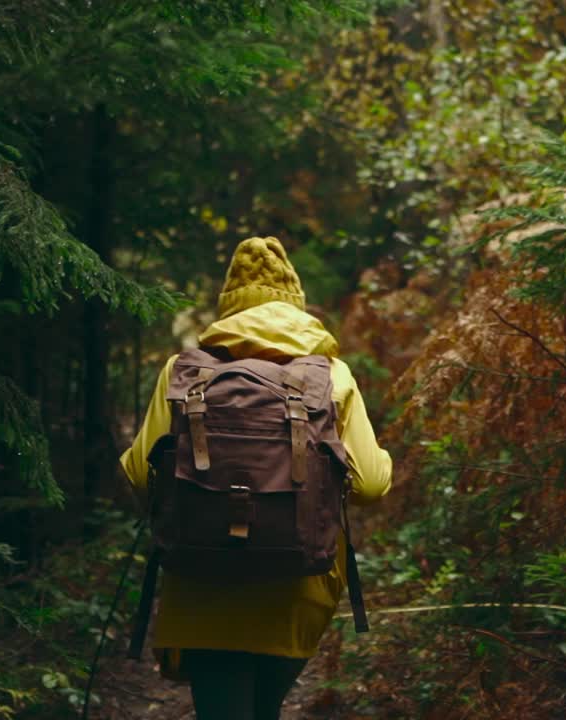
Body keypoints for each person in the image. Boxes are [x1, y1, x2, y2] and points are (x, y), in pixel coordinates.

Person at [119, 236, 393, 720]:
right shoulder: (331, 376)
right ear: (297, 303)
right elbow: (370, 486)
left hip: (200, 583)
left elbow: (141, 475)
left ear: (227, 307)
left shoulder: (181, 373)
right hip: (295, 586)